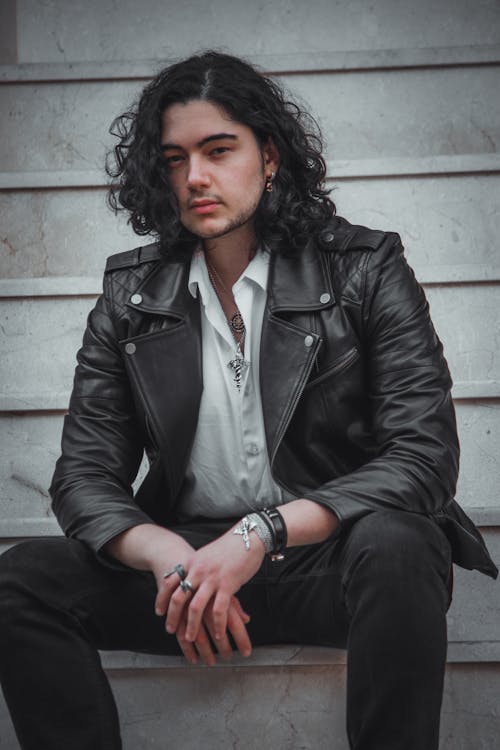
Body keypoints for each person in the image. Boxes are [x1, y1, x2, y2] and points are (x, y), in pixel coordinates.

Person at [0, 50, 496, 750]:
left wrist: (260, 533)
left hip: (327, 560)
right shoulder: (130, 298)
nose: (195, 176)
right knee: (20, 578)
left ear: (269, 157)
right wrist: (166, 554)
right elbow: (83, 477)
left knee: (401, 540)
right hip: (192, 578)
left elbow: (423, 458)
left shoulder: (365, 269)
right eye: (174, 158)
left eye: (218, 149)